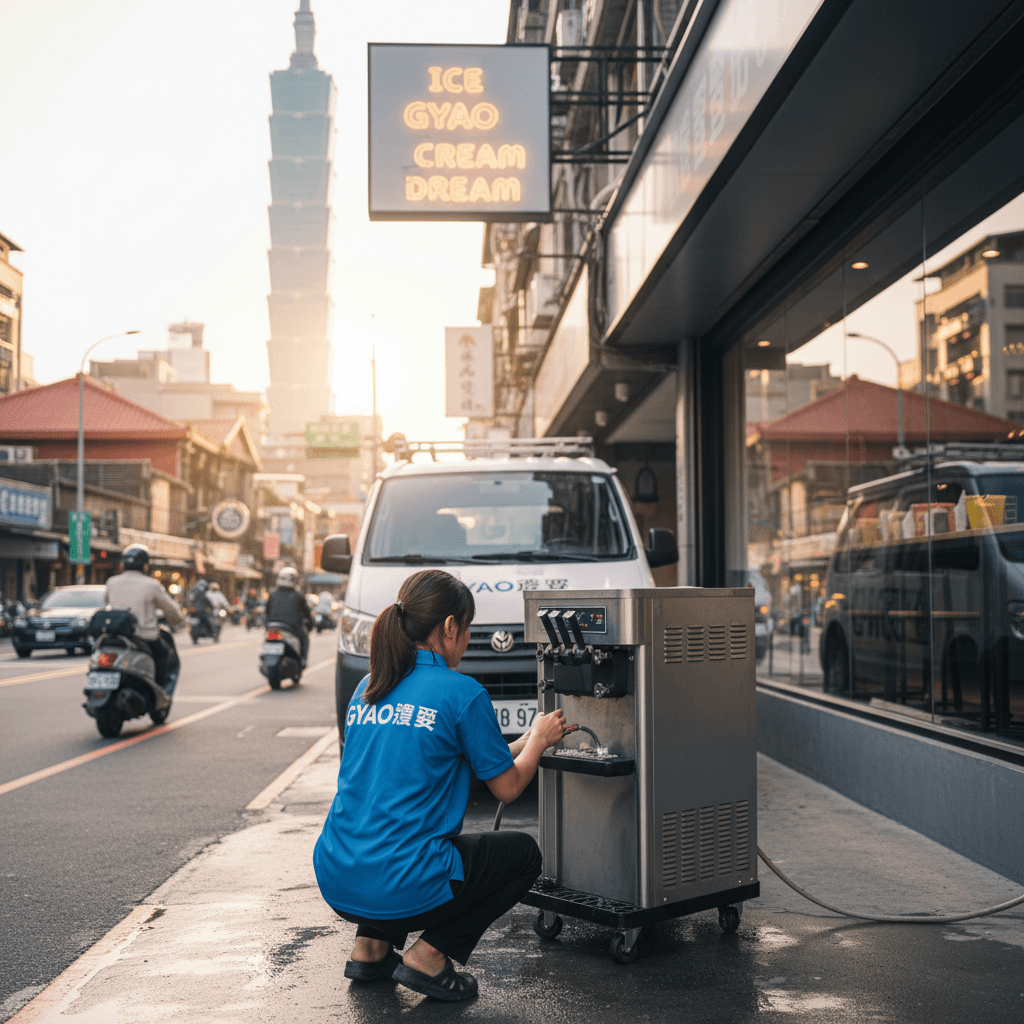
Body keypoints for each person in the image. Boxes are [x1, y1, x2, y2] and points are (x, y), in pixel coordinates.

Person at [313, 569, 574, 1002]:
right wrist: (542, 743)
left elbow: (455, 756)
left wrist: (528, 740)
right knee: (523, 855)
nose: (469, 637)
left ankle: (371, 948)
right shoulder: (461, 692)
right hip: (401, 881)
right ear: (450, 627)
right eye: (467, 627)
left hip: (338, 873)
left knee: (390, 834)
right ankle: (429, 956)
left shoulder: (369, 686)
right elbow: (507, 788)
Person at [104, 545, 183, 692]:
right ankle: (159, 690)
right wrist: (177, 621)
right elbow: (170, 610)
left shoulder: (111, 582)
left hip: (116, 635)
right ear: (145, 566)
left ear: (123, 565)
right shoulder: (152, 585)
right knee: (163, 654)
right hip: (144, 636)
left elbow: (105, 600)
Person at [264, 566, 313, 665]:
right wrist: (310, 624)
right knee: (305, 637)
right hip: (291, 628)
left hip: (272, 627)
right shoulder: (298, 595)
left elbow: (267, 611)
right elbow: (307, 613)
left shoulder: (273, 593)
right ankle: (303, 660)